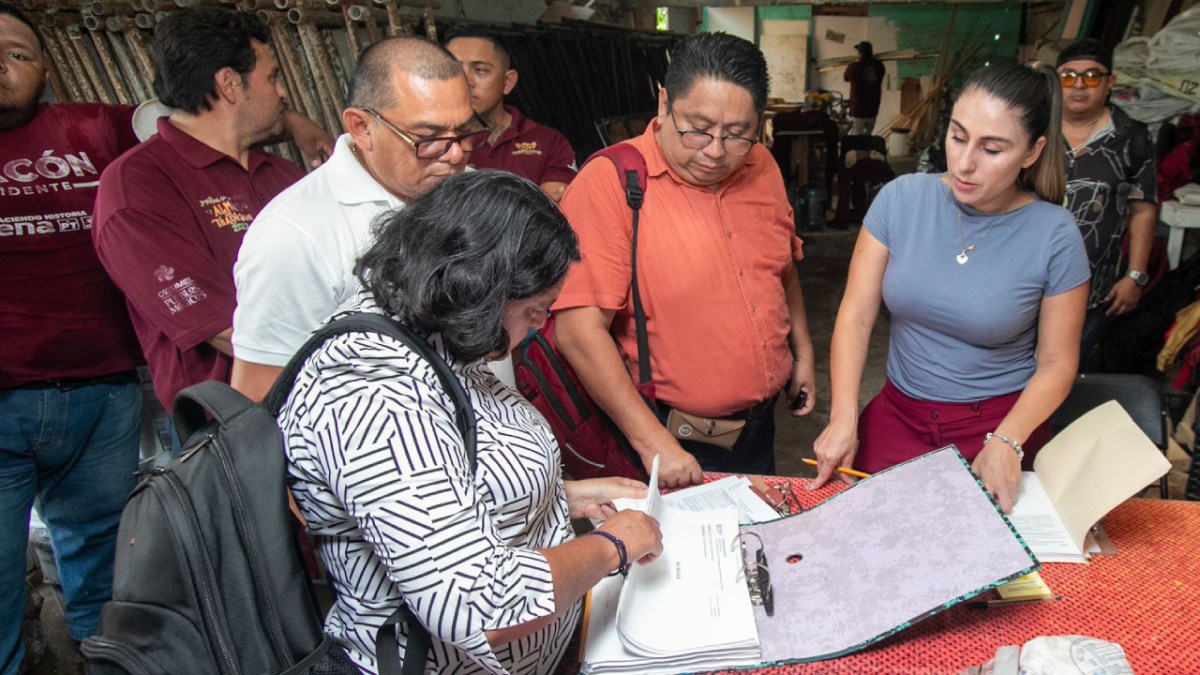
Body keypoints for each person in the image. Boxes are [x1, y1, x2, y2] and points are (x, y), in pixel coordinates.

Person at [278, 170, 663, 674]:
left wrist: (564, 495)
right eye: (534, 312)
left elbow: (439, 491)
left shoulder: (425, 333)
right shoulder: (374, 395)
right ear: (480, 287)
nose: (537, 328)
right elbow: (480, 605)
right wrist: (613, 546)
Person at [811, 62, 1091, 513]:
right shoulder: (901, 199)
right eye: (958, 137)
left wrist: (1007, 442)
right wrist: (843, 418)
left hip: (1001, 428)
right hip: (898, 418)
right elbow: (857, 315)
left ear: (1032, 152)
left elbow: (1057, 362)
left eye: (992, 148)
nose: (964, 163)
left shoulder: (1054, 234)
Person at [552, 32, 817, 488]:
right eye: (697, 128)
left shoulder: (763, 166)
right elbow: (577, 331)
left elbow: (782, 268)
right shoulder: (612, 182)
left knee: (754, 548)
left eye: (737, 134)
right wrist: (652, 441)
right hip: (670, 438)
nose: (715, 151)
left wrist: (803, 351)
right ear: (663, 103)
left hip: (758, 427)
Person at [0, 6, 143, 672]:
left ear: (45, 67)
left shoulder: (93, 127)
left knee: (101, 566)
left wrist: (289, 120)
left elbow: (186, 122)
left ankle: (101, 660)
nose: (1, 67)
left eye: (18, 53)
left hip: (103, 390)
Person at [231, 36, 486, 403]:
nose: (456, 154)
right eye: (428, 138)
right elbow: (261, 395)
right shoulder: (293, 236)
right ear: (361, 127)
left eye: (465, 132)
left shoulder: (465, 185)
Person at [93, 8, 307, 411]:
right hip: (234, 428)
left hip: (326, 408)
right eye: (272, 77)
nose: (282, 93)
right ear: (229, 84)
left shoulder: (282, 174)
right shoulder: (137, 186)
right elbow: (229, 329)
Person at [1056, 39, 1157, 366]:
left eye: (1092, 76)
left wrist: (1136, 275)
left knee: (1069, 373)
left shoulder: (1132, 137)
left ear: (1110, 82)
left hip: (1092, 290)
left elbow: (1142, 208)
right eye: (1068, 76)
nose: (1079, 85)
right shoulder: (1031, 130)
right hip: (1024, 285)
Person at [444, 26, 576, 201]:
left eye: (480, 70)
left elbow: (550, 214)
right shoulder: (429, 144)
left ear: (508, 82)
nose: (466, 81)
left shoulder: (549, 142)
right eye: (454, 70)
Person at [843, 41, 886, 136]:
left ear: (860, 53)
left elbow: (845, 78)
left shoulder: (853, 66)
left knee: (857, 138)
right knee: (868, 138)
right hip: (873, 108)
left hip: (858, 108)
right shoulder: (879, 65)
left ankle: (860, 151)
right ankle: (866, 151)